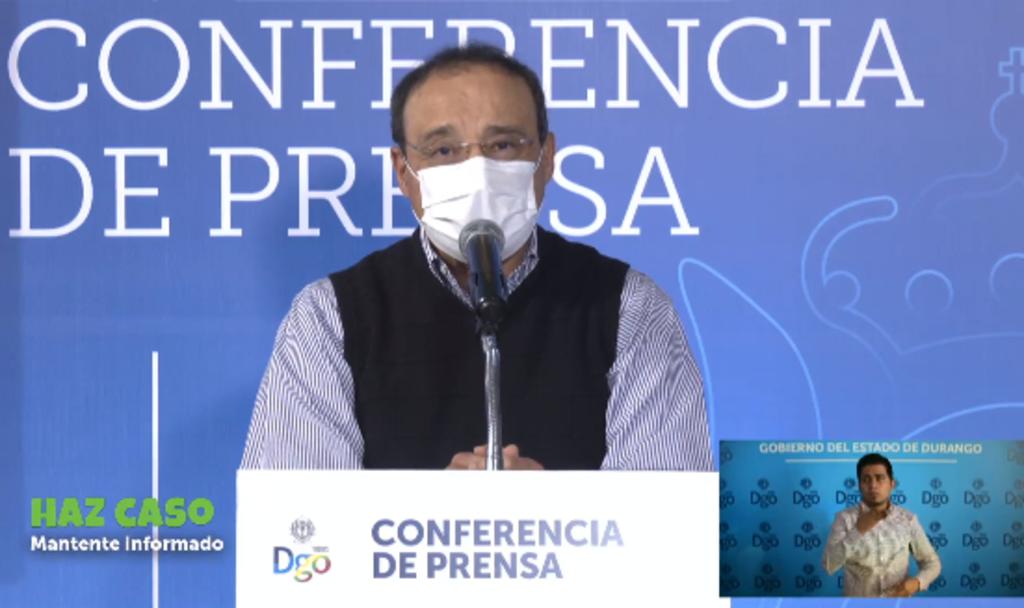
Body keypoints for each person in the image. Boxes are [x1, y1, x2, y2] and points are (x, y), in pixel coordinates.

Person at [240, 43, 712, 471]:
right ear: (404, 173)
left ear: (546, 157)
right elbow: (295, 523)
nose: (477, 172)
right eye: (444, 150)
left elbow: (669, 519)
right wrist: (435, 522)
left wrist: (556, 514)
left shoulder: (629, 307)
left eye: (503, 145)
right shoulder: (329, 317)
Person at [822, 453, 941, 597]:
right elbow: (829, 565)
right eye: (866, 479)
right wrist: (858, 530)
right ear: (859, 485)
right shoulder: (844, 519)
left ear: (892, 484)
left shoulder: (908, 520)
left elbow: (932, 563)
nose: (873, 485)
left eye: (880, 478)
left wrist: (916, 583)